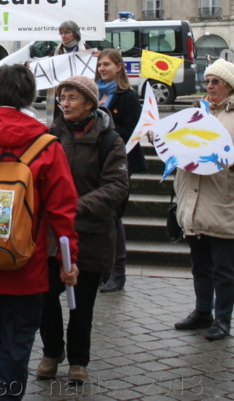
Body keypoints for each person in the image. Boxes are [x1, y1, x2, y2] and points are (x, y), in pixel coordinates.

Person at [0, 64, 79, 401]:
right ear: (29, 97)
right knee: (19, 338)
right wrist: (69, 262)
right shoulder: (47, 147)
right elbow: (63, 212)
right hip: (28, 262)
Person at [38, 75, 127, 384]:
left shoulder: (109, 140)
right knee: (46, 297)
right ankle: (52, 351)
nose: (65, 103)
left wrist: (76, 205)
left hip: (91, 233)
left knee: (82, 304)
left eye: (73, 97)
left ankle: (79, 361)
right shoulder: (52, 136)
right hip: (53, 234)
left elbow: (117, 185)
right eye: (63, 97)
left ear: (91, 103)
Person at [172, 59, 234, 341]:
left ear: (229, 87)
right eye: (208, 80)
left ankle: (223, 319)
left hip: (222, 202)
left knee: (224, 269)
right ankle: (203, 312)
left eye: (216, 82)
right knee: (200, 265)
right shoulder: (195, 113)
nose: (209, 86)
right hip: (192, 199)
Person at [94, 48, 147, 293]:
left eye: (106, 64)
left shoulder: (126, 95)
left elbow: (134, 130)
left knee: (115, 217)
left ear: (118, 67)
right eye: (100, 65)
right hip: (97, 161)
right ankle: (103, 269)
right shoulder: (94, 92)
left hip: (120, 162)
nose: (102, 69)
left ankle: (118, 271)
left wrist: (107, 133)